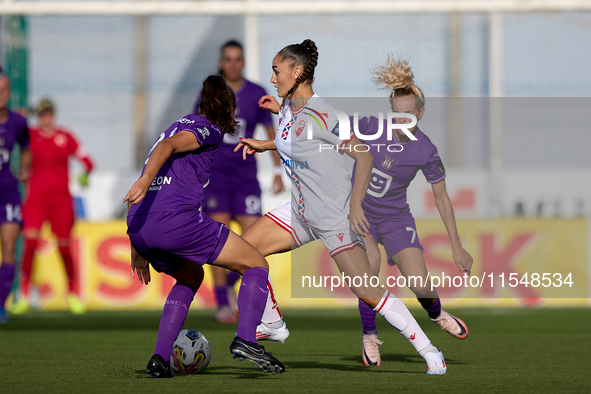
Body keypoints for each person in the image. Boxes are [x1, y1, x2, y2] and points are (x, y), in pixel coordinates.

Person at [236, 39, 447, 374]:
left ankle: (430, 351)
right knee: (241, 250)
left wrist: (356, 207)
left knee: (368, 291)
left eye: (277, 71)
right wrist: (264, 144)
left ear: (298, 72)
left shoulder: (325, 114)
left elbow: (363, 156)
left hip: (334, 217)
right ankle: (273, 322)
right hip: (300, 212)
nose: (273, 78)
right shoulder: (291, 107)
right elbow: (294, 138)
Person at [123, 75, 284, 377]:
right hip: (174, 220)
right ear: (226, 107)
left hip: (140, 224)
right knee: (255, 264)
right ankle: (247, 339)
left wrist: (136, 242)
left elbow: (158, 160)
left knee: (191, 274)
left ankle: (159, 357)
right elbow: (168, 149)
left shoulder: (178, 123)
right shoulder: (207, 128)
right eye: (233, 109)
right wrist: (144, 180)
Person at [352, 56, 473, 366]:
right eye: (396, 114)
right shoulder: (369, 127)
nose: (400, 121)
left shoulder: (426, 150)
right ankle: (369, 335)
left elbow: (443, 199)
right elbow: (326, 124)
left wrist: (456, 246)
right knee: (371, 263)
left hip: (395, 218)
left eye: (408, 115)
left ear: (421, 113)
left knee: (420, 283)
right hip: (360, 212)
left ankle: (437, 314)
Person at [193, 40, 284, 323]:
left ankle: (232, 289)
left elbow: (273, 132)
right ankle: (221, 301)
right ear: (221, 63)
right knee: (217, 238)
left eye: (237, 59)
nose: (232, 64)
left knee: (252, 242)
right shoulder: (210, 94)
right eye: (228, 59)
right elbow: (195, 130)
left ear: (243, 62)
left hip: (246, 176)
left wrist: (278, 171)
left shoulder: (257, 93)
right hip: (216, 175)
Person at [11, 98, 94, 315]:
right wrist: (18, 114)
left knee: (65, 248)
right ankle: (25, 295)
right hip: (36, 200)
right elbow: (10, 126)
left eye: (48, 114)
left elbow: (87, 161)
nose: (45, 118)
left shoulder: (65, 137)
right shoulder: (30, 134)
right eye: (41, 114)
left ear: (53, 115)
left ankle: (73, 294)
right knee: (29, 243)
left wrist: (85, 174)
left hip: (61, 202)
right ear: (37, 116)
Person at [0, 71, 31, 323]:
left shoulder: (17, 122)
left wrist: (24, 169)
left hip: (7, 190)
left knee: (9, 245)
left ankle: (0, 305)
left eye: (6, 89)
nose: (2, 93)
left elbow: (26, 147)